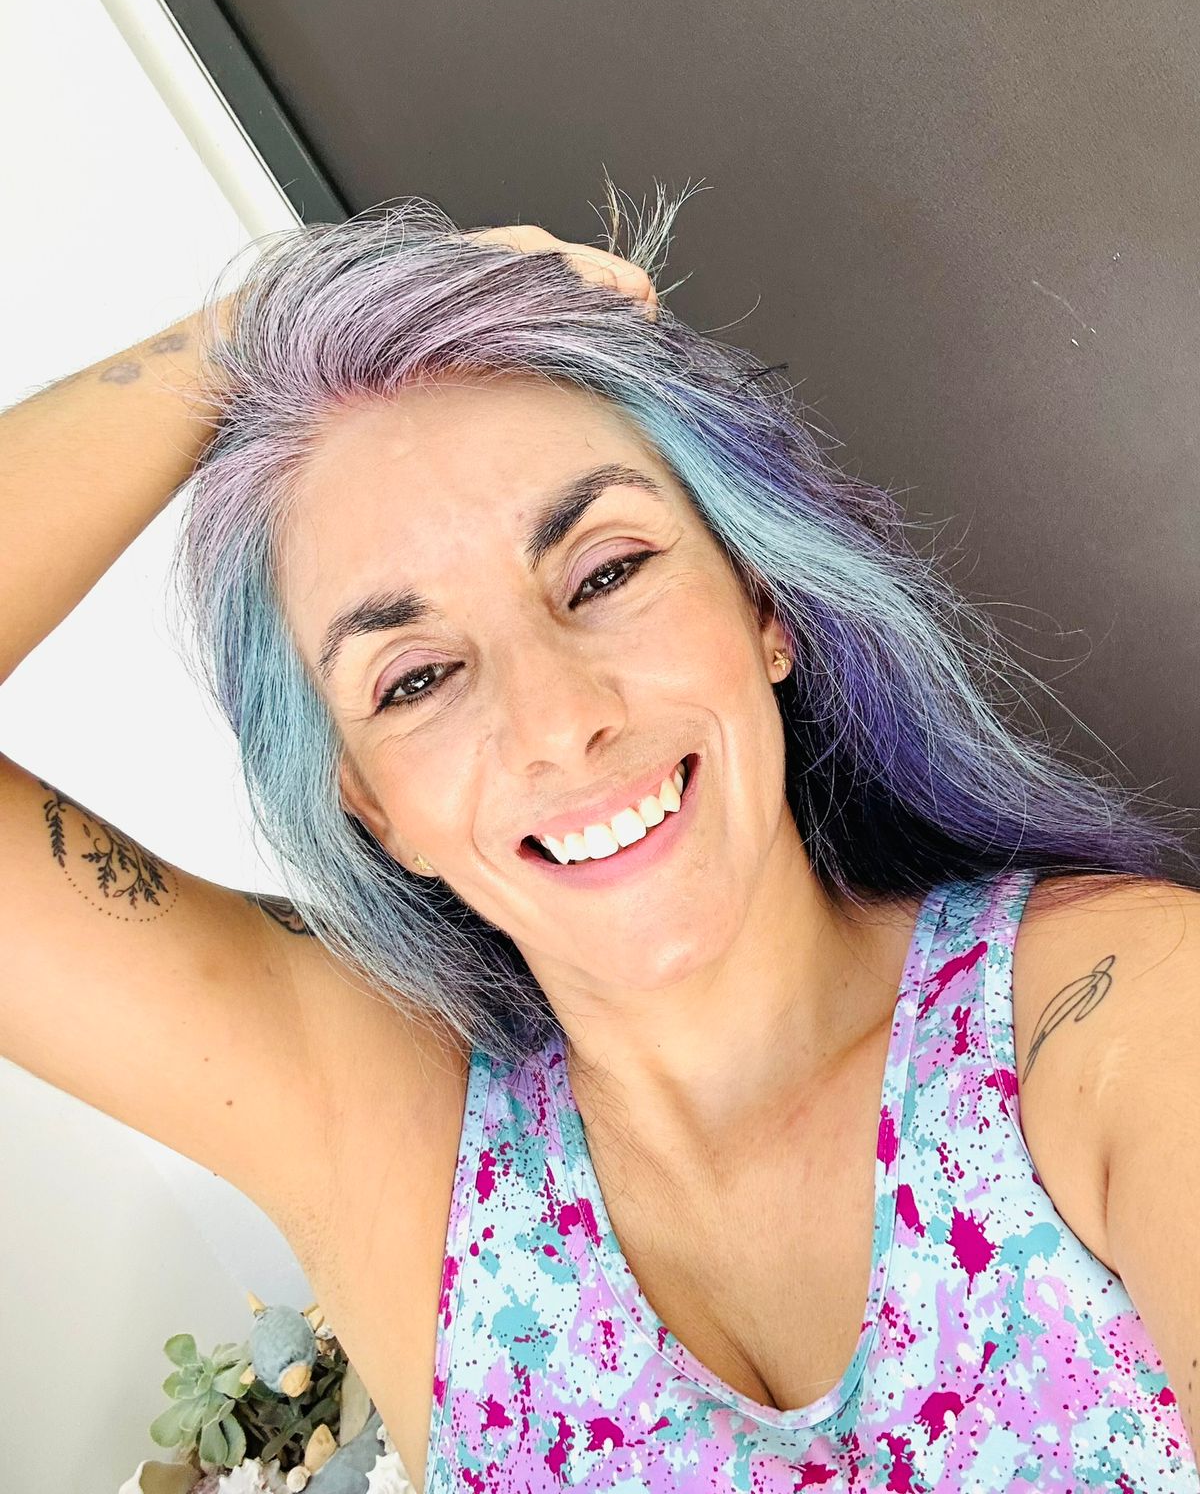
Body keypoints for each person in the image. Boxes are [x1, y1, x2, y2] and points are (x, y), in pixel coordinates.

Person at [3, 183, 1199, 1493]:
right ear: (373, 807)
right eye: (416, 679)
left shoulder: (1119, 1021)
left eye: (606, 572)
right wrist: (248, 331)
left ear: (761, 604)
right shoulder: (390, 1137)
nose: (560, 723)